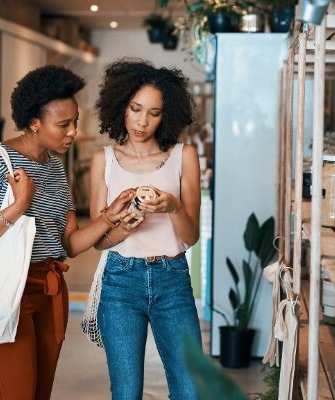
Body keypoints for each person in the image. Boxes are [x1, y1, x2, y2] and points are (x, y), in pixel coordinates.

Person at [0, 65, 135, 400]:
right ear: (34, 122)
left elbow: (69, 244)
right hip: (5, 292)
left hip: (50, 290)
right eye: (63, 124)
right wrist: (17, 207)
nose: (73, 132)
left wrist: (111, 218)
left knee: (39, 394)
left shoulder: (53, 167)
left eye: (75, 121)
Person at [90, 59, 202, 400]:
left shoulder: (185, 155)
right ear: (121, 105)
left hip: (173, 279)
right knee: (126, 393)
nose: (142, 121)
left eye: (153, 112)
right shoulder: (103, 160)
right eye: (135, 108)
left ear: (166, 115)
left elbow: (191, 235)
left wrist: (173, 207)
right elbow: (99, 241)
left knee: (189, 389)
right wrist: (122, 226)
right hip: (121, 281)